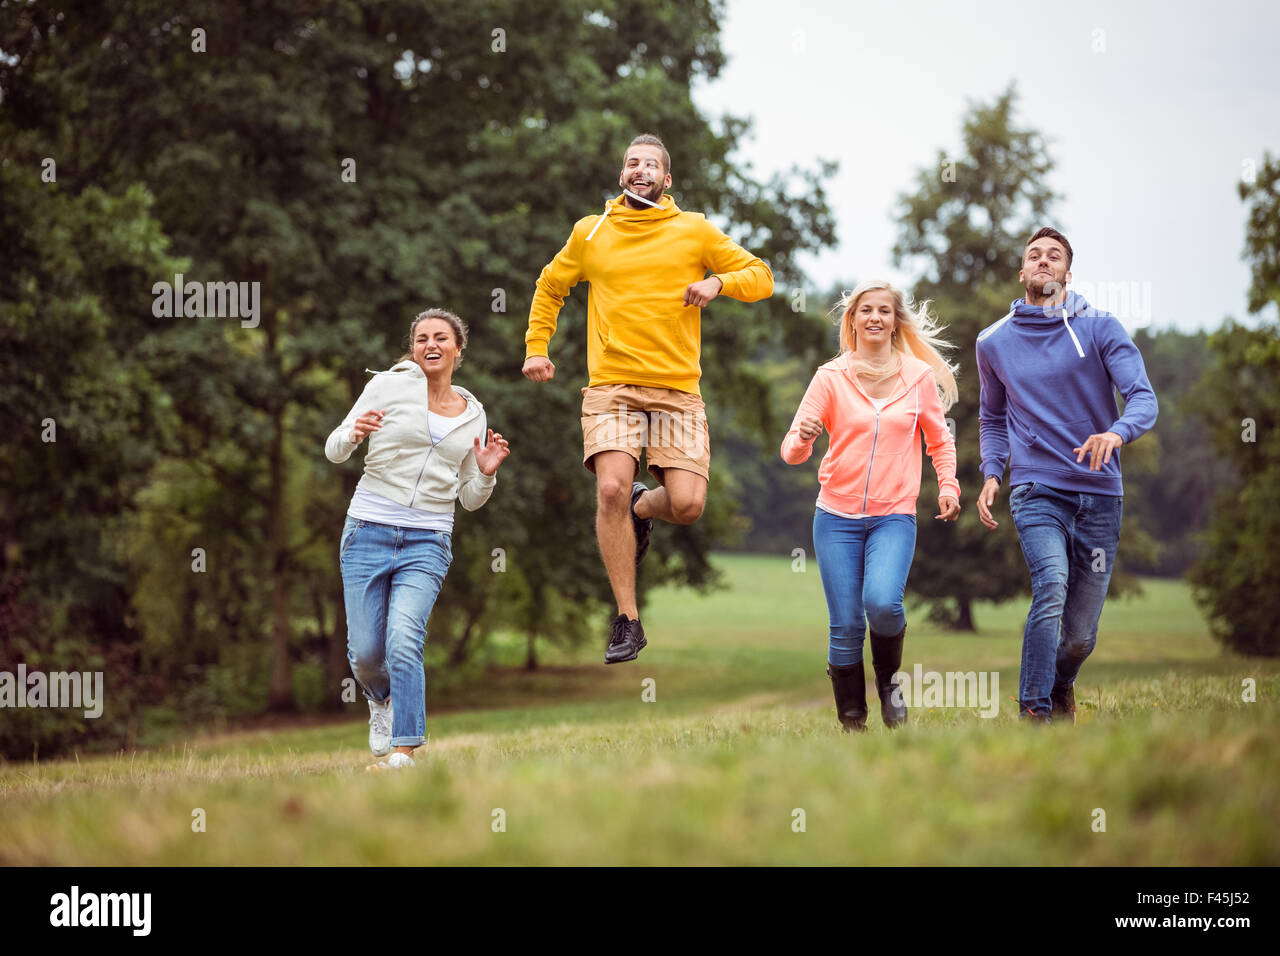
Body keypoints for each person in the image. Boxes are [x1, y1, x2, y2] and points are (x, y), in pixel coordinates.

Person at [522, 133, 774, 664]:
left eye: (651, 164)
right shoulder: (591, 233)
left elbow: (762, 277)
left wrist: (718, 284)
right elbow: (551, 286)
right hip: (611, 384)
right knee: (610, 489)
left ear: (667, 179)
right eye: (632, 163)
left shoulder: (693, 230)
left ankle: (644, 506)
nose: (640, 170)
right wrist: (537, 348)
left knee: (686, 505)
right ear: (621, 176)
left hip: (678, 390)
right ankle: (627, 620)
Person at [976, 227, 1157, 723]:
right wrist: (993, 471)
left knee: (1079, 636)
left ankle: (1061, 684)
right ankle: (1035, 712)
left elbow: (1143, 397)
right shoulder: (993, 342)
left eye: (1053, 255)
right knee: (1050, 585)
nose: (1043, 261)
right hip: (1036, 489)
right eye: (1034, 254)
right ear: (1022, 272)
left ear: (1067, 273)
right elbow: (991, 418)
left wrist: (1116, 434)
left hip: (1100, 495)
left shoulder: (1100, 327)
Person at [325, 308, 510, 769]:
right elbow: (333, 448)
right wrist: (353, 433)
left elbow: (469, 498)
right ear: (413, 348)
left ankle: (405, 750)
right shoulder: (386, 386)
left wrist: (485, 474)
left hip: (428, 539)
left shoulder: (473, 413)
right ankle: (380, 699)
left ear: (457, 350)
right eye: (422, 337)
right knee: (366, 655)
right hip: (368, 529)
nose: (431, 344)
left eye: (441, 338)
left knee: (404, 638)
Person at [782, 280, 961, 731]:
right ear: (853, 319)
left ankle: (888, 683)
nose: (875, 318)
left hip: (893, 515)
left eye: (884, 310)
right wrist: (803, 438)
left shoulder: (917, 377)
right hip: (836, 517)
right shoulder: (830, 377)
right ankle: (852, 721)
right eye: (866, 310)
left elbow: (939, 440)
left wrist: (949, 486)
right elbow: (791, 451)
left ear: (895, 321)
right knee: (844, 623)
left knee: (882, 603)